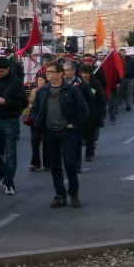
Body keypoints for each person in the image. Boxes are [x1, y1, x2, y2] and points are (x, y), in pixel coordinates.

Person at [30, 62, 89, 208]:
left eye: (50, 71)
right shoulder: (43, 91)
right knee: (55, 165)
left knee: (70, 163)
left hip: (67, 131)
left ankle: (74, 194)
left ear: (60, 74)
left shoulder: (72, 90)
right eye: (47, 71)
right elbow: (35, 109)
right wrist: (38, 120)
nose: (47, 74)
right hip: (49, 132)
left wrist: (73, 123)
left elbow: (83, 110)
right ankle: (60, 195)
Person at [0, 57, 28, 195]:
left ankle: (9, 183)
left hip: (11, 119)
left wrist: (6, 102)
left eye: (1, 71)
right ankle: (4, 173)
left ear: (8, 69)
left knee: (10, 153)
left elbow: (23, 103)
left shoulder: (16, 82)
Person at [77, 63, 107, 162]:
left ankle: (89, 153)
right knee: (78, 136)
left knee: (89, 136)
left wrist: (100, 112)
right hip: (80, 113)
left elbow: (101, 99)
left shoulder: (95, 84)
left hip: (92, 114)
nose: (85, 75)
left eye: (87, 73)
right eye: (83, 73)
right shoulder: (78, 84)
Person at [26, 73, 49, 171]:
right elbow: (30, 102)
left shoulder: (49, 91)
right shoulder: (34, 91)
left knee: (47, 142)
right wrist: (30, 107)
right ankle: (35, 162)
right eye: (38, 80)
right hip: (35, 119)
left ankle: (48, 163)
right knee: (34, 141)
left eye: (41, 80)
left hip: (47, 119)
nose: (39, 82)